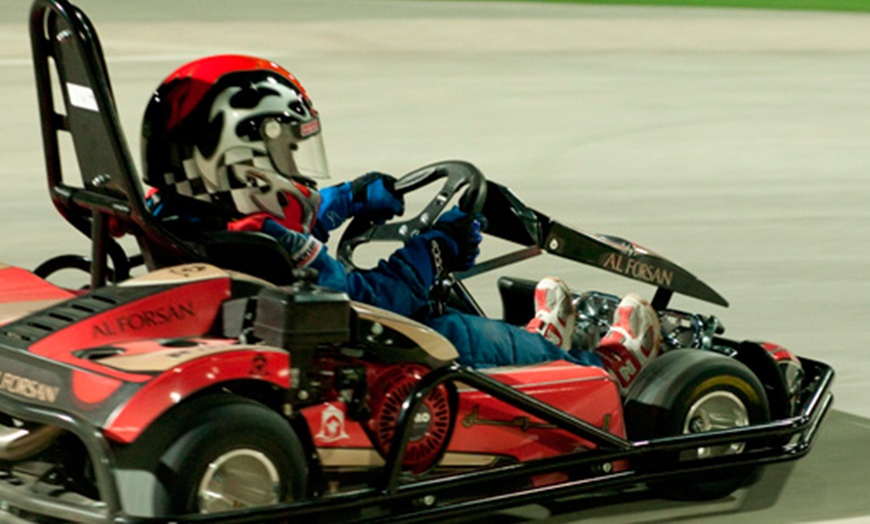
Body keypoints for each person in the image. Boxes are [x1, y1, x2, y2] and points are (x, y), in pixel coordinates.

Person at [140, 54, 660, 392]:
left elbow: (293, 220)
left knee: (453, 320)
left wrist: (350, 198)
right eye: (284, 152)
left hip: (251, 334)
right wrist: (435, 249)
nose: (293, 168)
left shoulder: (175, 215)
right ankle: (603, 373)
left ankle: (541, 343)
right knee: (457, 329)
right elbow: (370, 302)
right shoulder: (267, 244)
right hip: (358, 358)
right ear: (240, 157)